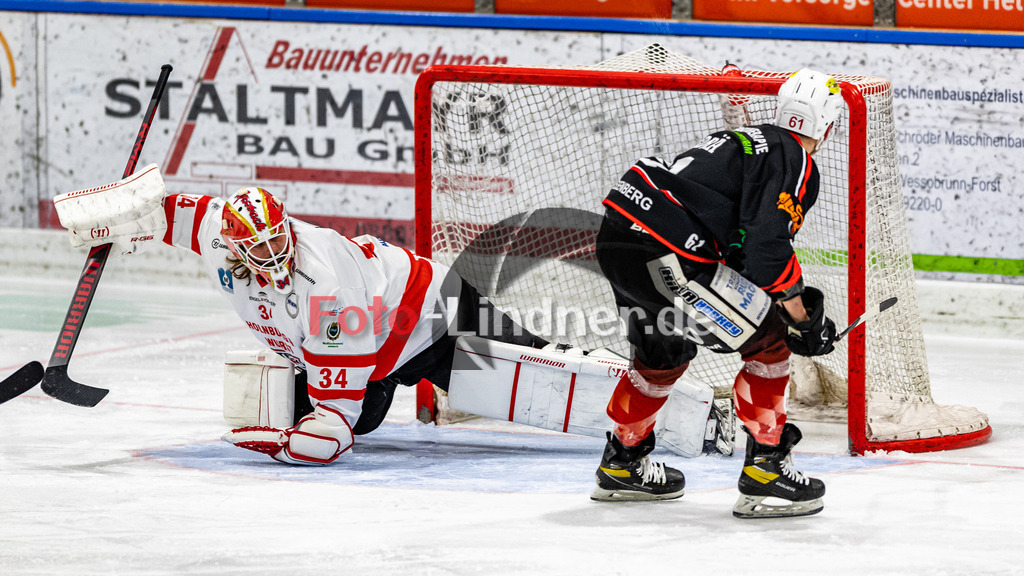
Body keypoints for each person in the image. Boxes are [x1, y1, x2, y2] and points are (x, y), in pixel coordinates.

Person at [65, 184, 547, 465]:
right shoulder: (217, 233)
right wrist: (111, 216)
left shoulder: (325, 289)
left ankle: (622, 384)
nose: (275, 255)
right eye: (260, 248)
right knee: (297, 409)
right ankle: (383, 384)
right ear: (232, 247)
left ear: (288, 225)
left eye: (279, 240)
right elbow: (160, 209)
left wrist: (279, 446)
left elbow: (331, 437)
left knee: (545, 377)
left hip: (432, 316)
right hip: (375, 352)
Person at [590, 69, 843, 518]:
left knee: (663, 353)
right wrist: (803, 319)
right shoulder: (794, 158)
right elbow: (767, 250)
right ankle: (767, 468)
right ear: (827, 125)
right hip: (666, 249)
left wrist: (792, 299)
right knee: (771, 337)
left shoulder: (742, 139)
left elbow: (740, 247)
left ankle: (622, 463)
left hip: (620, 236)